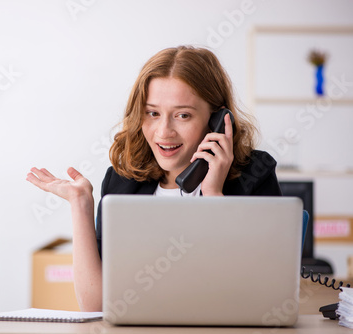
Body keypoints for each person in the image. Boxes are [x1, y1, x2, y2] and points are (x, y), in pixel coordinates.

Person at [26, 45, 282, 312]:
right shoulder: (122, 182)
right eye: (152, 113)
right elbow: (96, 306)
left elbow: (258, 297)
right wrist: (81, 204)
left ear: (218, 120)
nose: (164, 131)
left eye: (183, 115)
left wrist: (214, 195)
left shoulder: (255, 175)